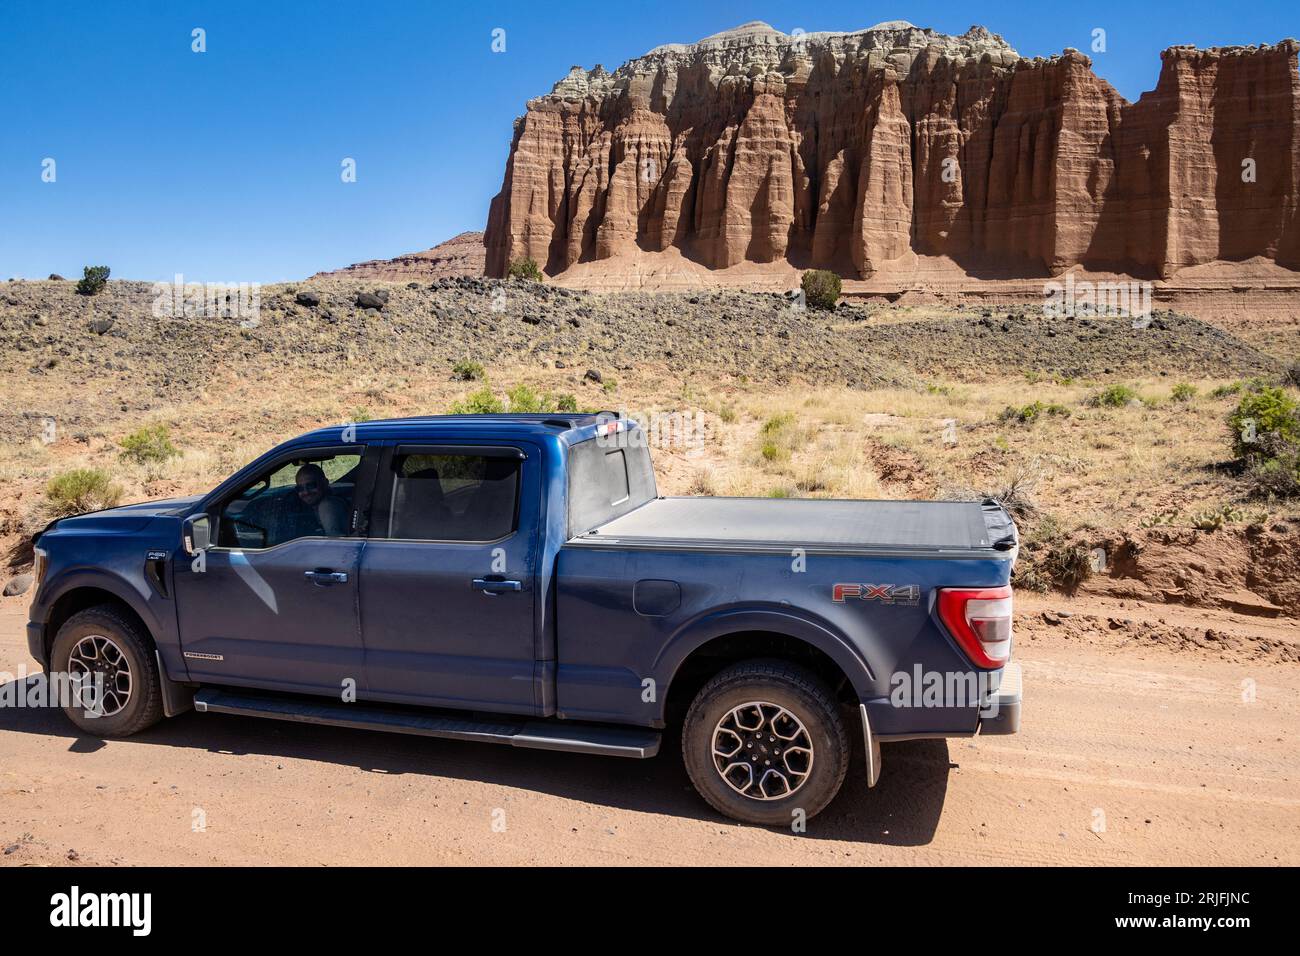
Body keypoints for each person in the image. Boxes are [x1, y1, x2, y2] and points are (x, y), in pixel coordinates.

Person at [294, 463, 348, 536]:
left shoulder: (327, 505)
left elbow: (334, 541)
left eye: (311, 486)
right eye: (300, 488)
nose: (306, 492)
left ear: (325, 483)